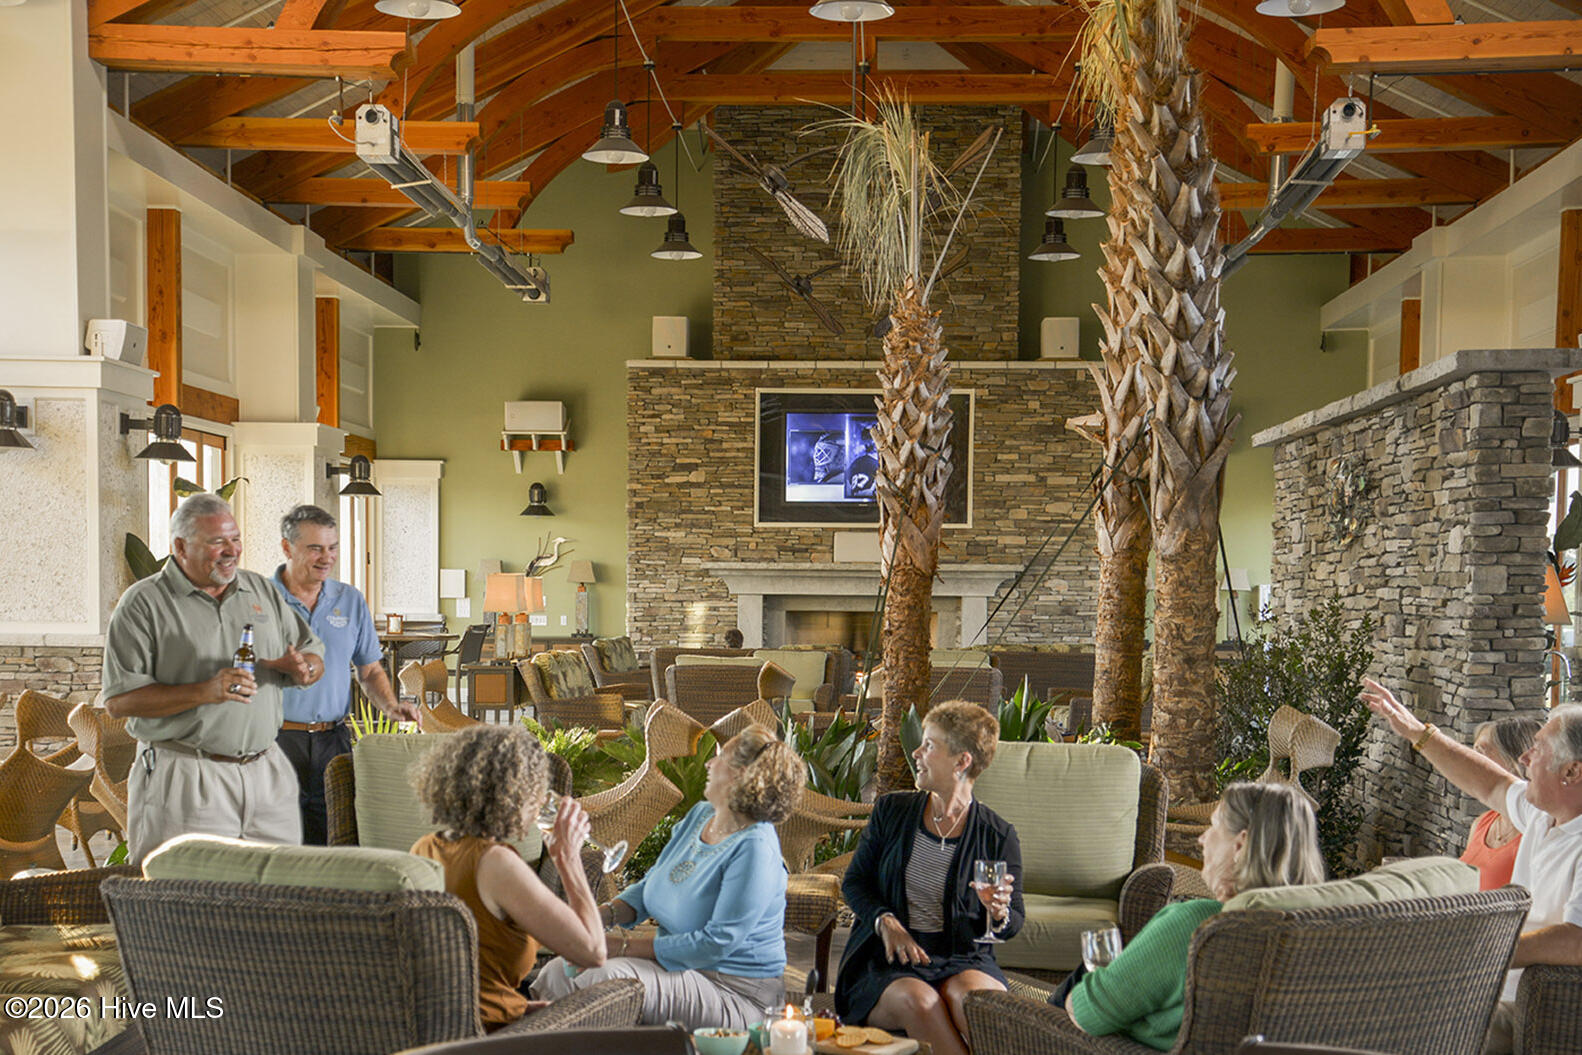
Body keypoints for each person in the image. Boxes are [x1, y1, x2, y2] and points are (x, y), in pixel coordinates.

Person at [534, 723, 804, 1029]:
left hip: (733, 992)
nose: (709, 763)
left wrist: (617, 946)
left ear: (739, 776)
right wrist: (600, 917)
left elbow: (715, 944)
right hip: (676, 969)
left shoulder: (755, 847)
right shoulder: (702, 815)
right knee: (559, 971)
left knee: (600, 978)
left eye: (719, 757)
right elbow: (652, 884)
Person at [1361, 679, 1582, 1054]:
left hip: (1525, 1011)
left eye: (1539, 749)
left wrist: (1475, 949)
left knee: (1385, 1022)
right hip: (1486, 990)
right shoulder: (1544, 816)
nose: (1525, 758)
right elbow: (1490, 783)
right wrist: (1416, 731)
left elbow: (1577, 940)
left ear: (1572, 772)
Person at [103, 493, 325, 864]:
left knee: (278, 889)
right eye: (217, 541)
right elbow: (118, 702)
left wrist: (305, 668)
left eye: (235, 539)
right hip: (187, 774)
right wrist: (204, 691)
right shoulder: (143, 603)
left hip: (267, 771)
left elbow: (312, 651)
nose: (231, 550)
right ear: (180, 546)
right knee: (182, 891)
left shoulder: (261, 590)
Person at [1057, 781, 1325, 1050]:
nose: (1202, 839)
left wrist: (1073, 999)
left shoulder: (1197, 926)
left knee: (1078, 984)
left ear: (1240, 845)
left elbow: (1089, 1013)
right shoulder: (1321, 931)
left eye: (1214, 826)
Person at [835, 700, 1025, 1055]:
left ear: (961, 762)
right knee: (920, 1001)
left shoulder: (997, 835)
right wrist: (884, 920)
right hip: (889, 962)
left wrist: (999, 913)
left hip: (964, 958)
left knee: (975, 1003)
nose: (916, 752)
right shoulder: (892, 811)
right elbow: (854, 882)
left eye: (929, 745)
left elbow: (1014, 921)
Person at [410, 725, 607, 1031]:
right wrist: (568, 858)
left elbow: (463, 967)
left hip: (443, 1026)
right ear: (514, 794)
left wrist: (517, 1006)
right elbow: (592, 952)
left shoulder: (424, 848)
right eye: (535, 789)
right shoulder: (496, 863)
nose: (540, 802)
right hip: (490, 1035)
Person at [271, 504, 417, 844]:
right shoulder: (259, 599)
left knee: (336, 837)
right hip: (275, 740)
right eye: (315, 548)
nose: (327, 558)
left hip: (333, 741)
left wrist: (390, 706)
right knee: (279, 840)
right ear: (287, 547)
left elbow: (370, 670)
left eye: (332, 547)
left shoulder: (350, 600)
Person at [1461, 716, 1543, 890]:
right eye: (1474, 750)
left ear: (1516, 758)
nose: (1471, 759)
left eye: (1481, 751)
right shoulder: (1481, 823)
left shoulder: (1540, 829)